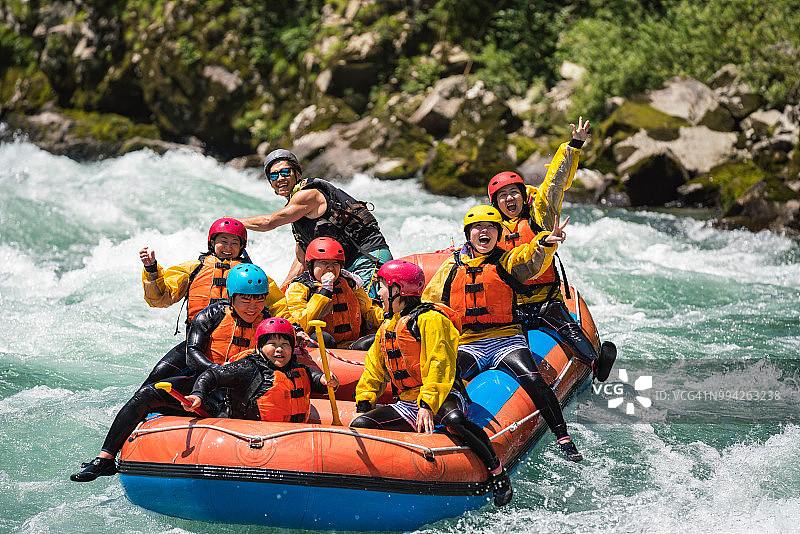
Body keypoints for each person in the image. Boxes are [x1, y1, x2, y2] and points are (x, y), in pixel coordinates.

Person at [70, 264, 283, 482]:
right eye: (246, 300)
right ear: (231, 296)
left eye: (259, 299)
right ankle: (105, 459)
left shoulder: (269, 325)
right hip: (205, 384)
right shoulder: (211, 316)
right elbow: (192, 355)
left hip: (243, 395)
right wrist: (218, 372)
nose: (253, 306)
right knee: (146, 394)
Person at [422, 205, 584, 462]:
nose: (484, 232)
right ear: (468, 234)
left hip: (506, 339)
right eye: (478, 228)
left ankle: (563, 436)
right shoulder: (449, 269)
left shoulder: (507, 262)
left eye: (490, 228)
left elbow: (529, 256)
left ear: (498, 233)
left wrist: (545, 242)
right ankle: (455, 426)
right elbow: (428, 306)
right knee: (446, 376)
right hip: (469, 343)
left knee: (534, 380)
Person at [351, 260, 513, 507]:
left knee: (455, 421)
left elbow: (440, 363)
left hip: (444, 393)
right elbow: (373, 370)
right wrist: (364, 402)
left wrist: (427, 404)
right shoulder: (388, 326)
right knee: (363, 424)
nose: (379, 293)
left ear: (398, 289)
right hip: (408, 401)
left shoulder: (431, 319)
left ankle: (497, 472)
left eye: (382, 287)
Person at [487, 117, 616, 382]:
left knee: (569, 330)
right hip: (513, 307)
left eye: (514, 193)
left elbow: (555, 182)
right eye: (503, 195)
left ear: (523, 195)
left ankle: (595, 364)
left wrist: (574, 145)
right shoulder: (488, 229)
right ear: (495, 202)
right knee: (507, 348)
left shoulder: (540, 214)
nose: (509, 199)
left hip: (546, 301)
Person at [236, 149, 392, 297]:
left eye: (285, 172)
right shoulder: (297, 214)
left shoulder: (308, 195)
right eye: (274, 175)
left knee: (369, 310)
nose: (280, 178)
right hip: (347, 266)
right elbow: (301, 260)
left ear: (297, 173)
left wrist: (233, 222)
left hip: (369, 256)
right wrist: (283, 292)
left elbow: (268, 222)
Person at [139, 218, 269, 384]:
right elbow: (161, 298)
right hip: (196, 344)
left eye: (234, 243)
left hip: (238, 345)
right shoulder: (195, 268)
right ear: (212, 242)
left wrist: (296, 329)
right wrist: (152, 271)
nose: (228, 248)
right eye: (223, 241)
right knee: (156, 377)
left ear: (242, 247)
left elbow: (278, 308)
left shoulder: (253, 276)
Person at [183, 317, 337, 422]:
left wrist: (328, 380)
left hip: (292, 435)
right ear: (259, 348)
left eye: (285, 344)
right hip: (252, 434)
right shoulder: (248, 367)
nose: (279, 349)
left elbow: (317, 380)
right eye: (272, 344)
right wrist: (198, 394)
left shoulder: (297, 368)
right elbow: (212, 375)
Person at [286, 237, 383, 350]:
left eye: (335, 263)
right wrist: (324, 293)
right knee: (324, 338)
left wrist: (388, 316)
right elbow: (301, 324)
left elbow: (368, 311)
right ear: (311, 265)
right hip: (319, 346)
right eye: (324, 262)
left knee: (374, 340)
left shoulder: (349, 283)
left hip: (350, 345)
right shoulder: (299, 287)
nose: (331, 267)